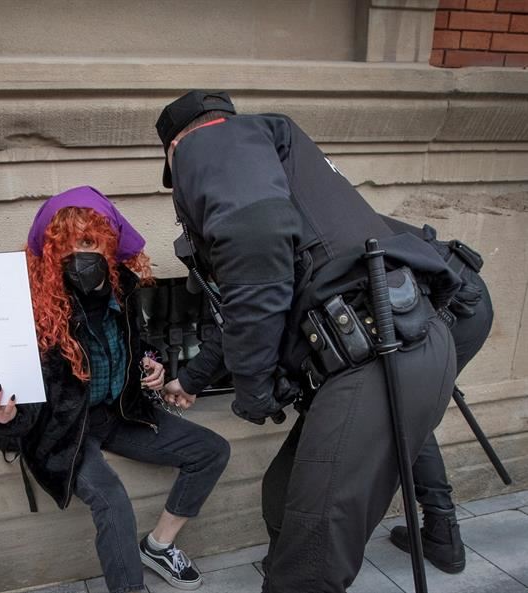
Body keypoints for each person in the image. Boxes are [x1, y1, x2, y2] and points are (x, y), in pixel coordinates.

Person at [154, 91, 461, 592]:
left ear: (176, 146)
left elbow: (256, 248)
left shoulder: (209, 144)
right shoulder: (281, 149)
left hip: (372, 357)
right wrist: (198, 375)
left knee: (309, 563)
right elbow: (247, 299)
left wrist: (252, 389)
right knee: (282, 496)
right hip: (403, 344)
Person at [0, 186, 231, 593]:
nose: (81, 256)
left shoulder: (122, 290)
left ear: (108, 245)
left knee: (212, 450)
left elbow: (136, 343)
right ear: (52, 254)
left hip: (117, 415)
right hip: (63, 432)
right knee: (111, 499)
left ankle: (159, 546)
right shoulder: (29, 311)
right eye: (68, 246)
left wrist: (151, 367)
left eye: (90, 242)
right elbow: (14, 410)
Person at [382, 218, 494, 574]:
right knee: (411, 409)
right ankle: (442, 533)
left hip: (450, 307)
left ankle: (443, 537)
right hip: (462, 295)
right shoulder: (324, 194)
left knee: (409, 411)